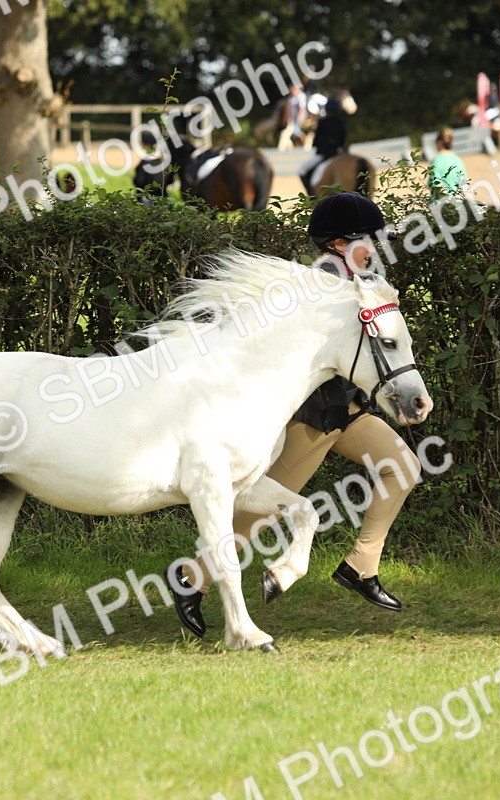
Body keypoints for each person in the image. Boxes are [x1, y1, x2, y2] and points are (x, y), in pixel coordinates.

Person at [167, 191, 424, 637]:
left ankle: (360, 567)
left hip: (348, 413)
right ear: (340, 244)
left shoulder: (359, 285)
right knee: (261, 511)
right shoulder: (317, 290)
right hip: (310, 418)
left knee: (402, 467)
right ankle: (192, 579)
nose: (377, 247)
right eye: (370, 239)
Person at [298, 96, 348, 195]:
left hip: (322, 154)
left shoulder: (322, 122)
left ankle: (311, 194)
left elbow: (317, 141)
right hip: (337, 153)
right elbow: (343, 140)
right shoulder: (341, 122)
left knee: (302, 171)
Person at [429, 128, 468, 199]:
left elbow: (436, 185)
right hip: (457, 202)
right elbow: (463, 184)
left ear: (439, 142)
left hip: (441, 203)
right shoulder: (458, 159)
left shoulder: (437, 160)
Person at [277, 83, 307, 152]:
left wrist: (300, 118)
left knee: (292, 132)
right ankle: (290, 147)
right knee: (292, 133)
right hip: (292, 119)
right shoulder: (291, 97)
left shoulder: (301, 96)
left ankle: (283, 148)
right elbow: (288, 110)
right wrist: (286, 118)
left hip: (298, 118)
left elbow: (302, 108)